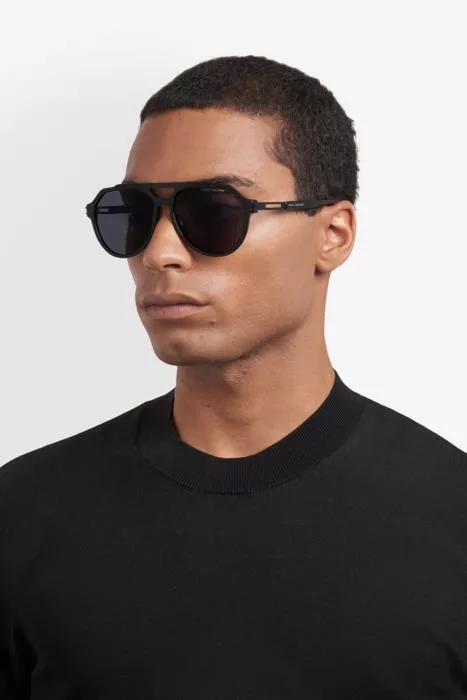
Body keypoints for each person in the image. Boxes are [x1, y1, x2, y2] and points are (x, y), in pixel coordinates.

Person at [1, 54, 466, 700]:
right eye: (133, 214)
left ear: (332, 234)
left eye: (214, 212)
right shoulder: (23, 517)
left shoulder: (450, 519)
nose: (160, 253)